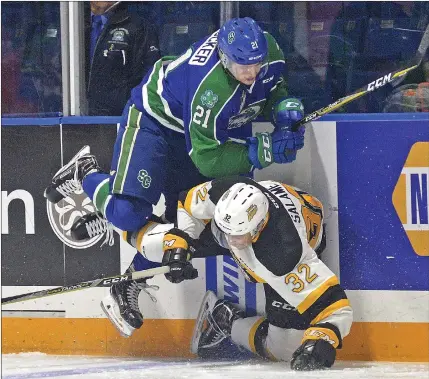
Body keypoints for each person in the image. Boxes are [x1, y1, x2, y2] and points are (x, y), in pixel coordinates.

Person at [44, 17, 307, 338]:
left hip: (203, 134)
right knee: (128, 214)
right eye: (242, 66)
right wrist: (261, 150)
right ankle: (84, 171)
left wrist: (283, 107)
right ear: (225, 58)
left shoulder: (267, 52)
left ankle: (131, 280)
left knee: (198, 225)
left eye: (256, 63)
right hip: (156, 122)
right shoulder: (210, 88)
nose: (251, 72)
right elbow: (208, 159)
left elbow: (273, 86)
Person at [159, 175, 353, 370]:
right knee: (160, 244)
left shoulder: (283, 257)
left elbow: (334, 307)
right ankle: (133, 275)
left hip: (294, 237)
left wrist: (325, 337)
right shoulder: (224, 190)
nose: (229, 240)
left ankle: (225, 320)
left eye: (237, 235)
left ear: (258, 227)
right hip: (277, 206)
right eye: (225, 231)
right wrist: (178, 243)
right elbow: (187, 203)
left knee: (284, 349)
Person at [86, 1, 161, 115]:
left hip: (119, 117)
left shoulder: (138, 26)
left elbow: (150, 76)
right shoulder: (71, 24)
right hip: (77, 117)